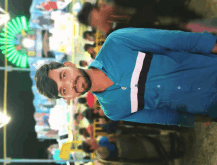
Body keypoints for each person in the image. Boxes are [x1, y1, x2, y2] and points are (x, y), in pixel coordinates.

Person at [35, 28, 217, 127]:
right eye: (63, 90)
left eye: (64, 75)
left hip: (210, 69)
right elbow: (164, 117)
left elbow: (173, 40)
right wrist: (202, 120)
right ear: (68, 98)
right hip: (209, 106)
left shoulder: (117, 42)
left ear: (69, 65)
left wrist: (213, 45)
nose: (70, 84)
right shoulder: (113, 111)